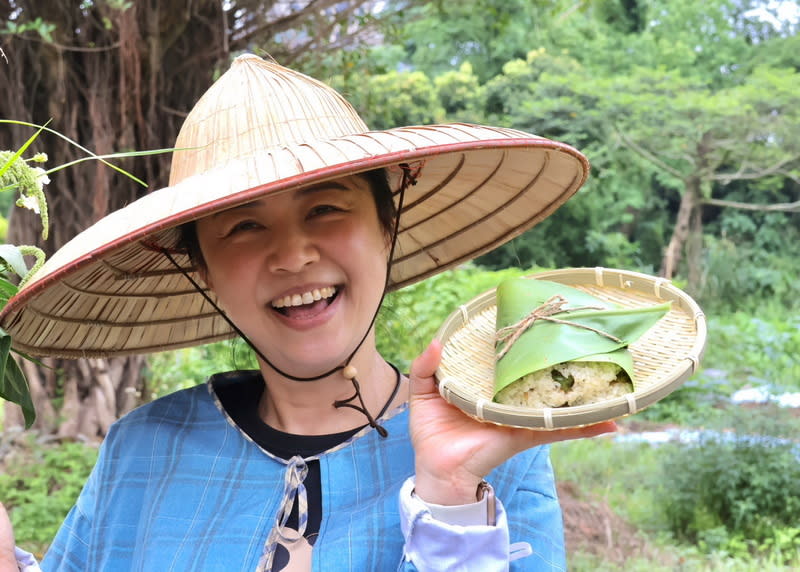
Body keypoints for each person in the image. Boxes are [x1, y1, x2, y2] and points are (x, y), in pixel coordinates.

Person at [0, 54, 614, 571]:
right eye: (243, 225)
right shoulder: (141, 450)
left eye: (326, 208)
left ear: (386, 223)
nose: (293, 255)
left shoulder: (492, 453)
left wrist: (451, 501)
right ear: (201, 267)